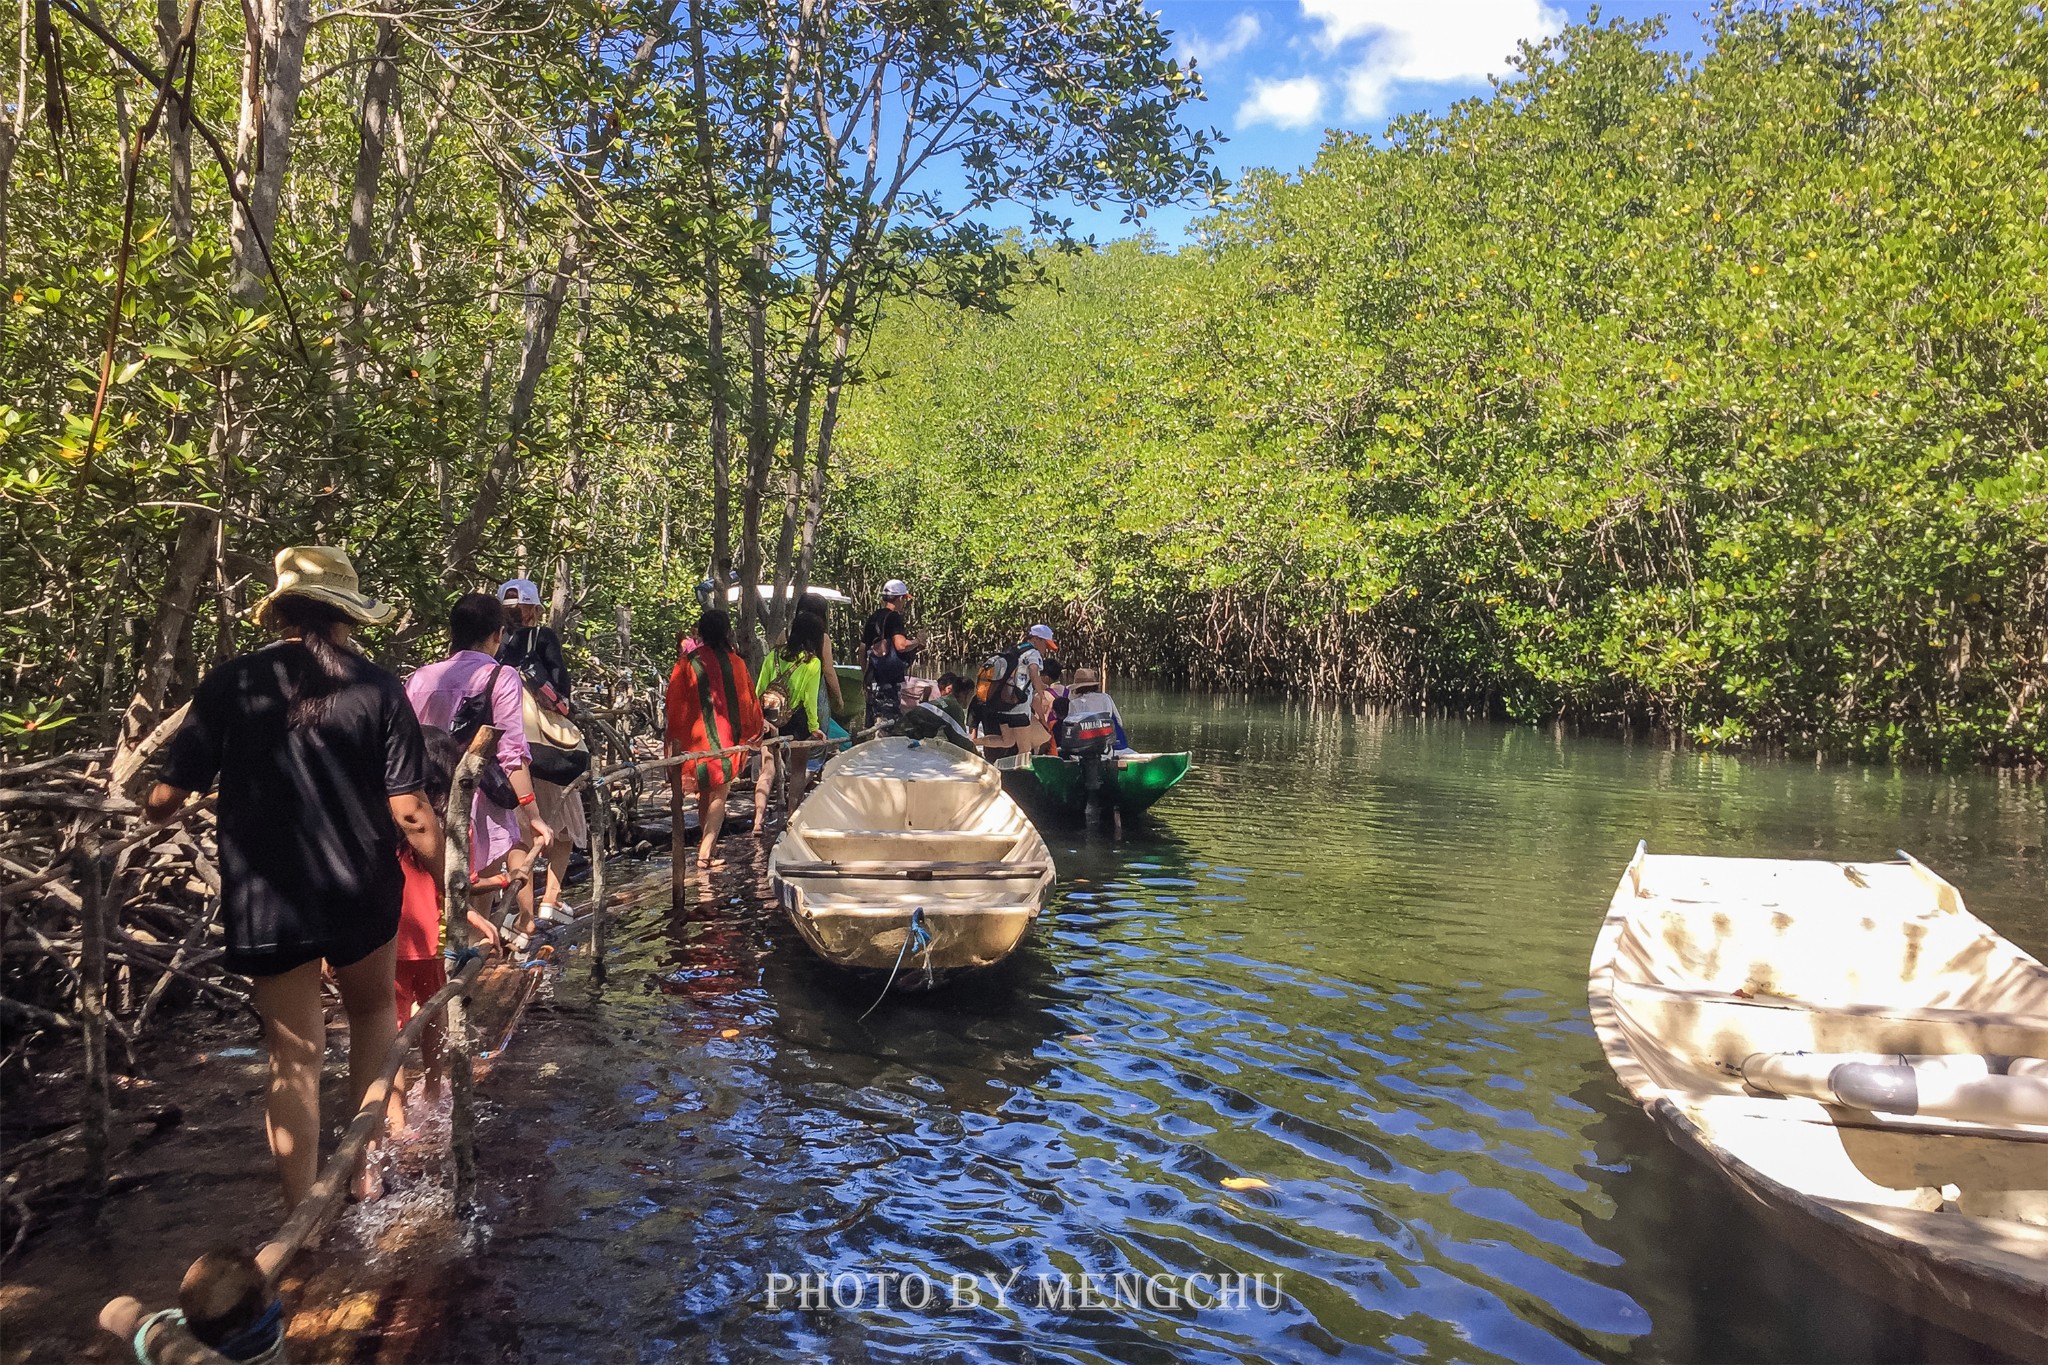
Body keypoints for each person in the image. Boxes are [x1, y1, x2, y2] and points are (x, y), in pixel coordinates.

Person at [145, 546, 432, 1210]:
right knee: (370, 1015)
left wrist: (166, 808)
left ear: (281, 610)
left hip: (268, 897)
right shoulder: (378, 687)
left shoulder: (230, 683)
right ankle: (363, 1174)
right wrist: (450, 875)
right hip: (361, 887)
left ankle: (300, 1208)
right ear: (346, 617)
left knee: (293, 1054)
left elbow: (164, 800)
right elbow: (410, 810)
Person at [405, 593, 554, 945]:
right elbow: (511, 754)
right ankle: (465, 981)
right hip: (479, 811)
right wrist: (533, 814)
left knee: (432, 902)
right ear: (497, 635)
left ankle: (434, 980)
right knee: (475, 911)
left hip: (425, 805)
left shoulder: (420, 678)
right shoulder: (501, 677)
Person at [387, 726, 500, 1136]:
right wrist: (496, 886)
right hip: (434, 942)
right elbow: (456, 884)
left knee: (390, 1030)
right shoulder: (450, 828)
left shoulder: (389, 822)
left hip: (388, 941)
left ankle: (396, 1121)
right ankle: (434, 1089)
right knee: (433, 1018)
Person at [499, 582, 584, 924]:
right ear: (533, 609)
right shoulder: (543, 637)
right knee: (565, 821)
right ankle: (550, 897)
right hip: (545, 746)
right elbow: (560, 689)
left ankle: (524, 914)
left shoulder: (493, 643)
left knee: (518, 832)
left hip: (505, 747)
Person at [664, 609, 763, 870]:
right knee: (719, 794)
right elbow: (749, 702)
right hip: (726, 741)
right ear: (727, 632)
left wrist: (673, 740)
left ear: (701, 632)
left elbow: (674, 706)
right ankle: (706, 852)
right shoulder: (737, 664)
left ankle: (705, 847)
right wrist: (753, 732)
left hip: (696, 743)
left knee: (705, 795)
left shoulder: (687, 663)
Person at [753, 612, 828, 835]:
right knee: (797, 771)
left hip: (770, 718)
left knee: (767, 770)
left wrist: (759, 720)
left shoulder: (773, 656)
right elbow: (809, 699)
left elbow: (759, 690)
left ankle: (757, 821)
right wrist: (815, 728)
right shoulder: (812, 663)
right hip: (796, 722)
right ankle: (790, 820)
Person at [972, 624, 1055, 756]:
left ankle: (972, 743)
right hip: (1019, 708)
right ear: (1037, 639)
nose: (1046, 649)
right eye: (1046, 644)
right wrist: (1042, 694)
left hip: (1003, 704)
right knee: (1025, 748)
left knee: (1008, 741)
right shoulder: (1034, 653)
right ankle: (1022, 774)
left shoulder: (1016, 650)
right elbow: (1033, 671)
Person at [495, 577, 569, 705]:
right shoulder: (543, 635)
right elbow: (558, 674)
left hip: (497, 700)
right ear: (533, 609)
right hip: (531, 706)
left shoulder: (492, 636)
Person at [860, 579, 921, 729]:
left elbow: (862, 649)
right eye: (904, 599)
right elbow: (901, 645)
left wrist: (866, 675)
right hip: (889, 682)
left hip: (873, 680)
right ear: (900, 598)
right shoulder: (894, 617)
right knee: (889, 723)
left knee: (872, 721)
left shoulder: (873, 617)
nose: (904, 603)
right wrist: (917, 641)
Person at [798, 592, 846, 737]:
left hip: (790, 694)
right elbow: (828, 670)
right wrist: (838, 698)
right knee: (816, 740)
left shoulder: (785, 634)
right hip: (815, 695)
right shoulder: (822, 638)